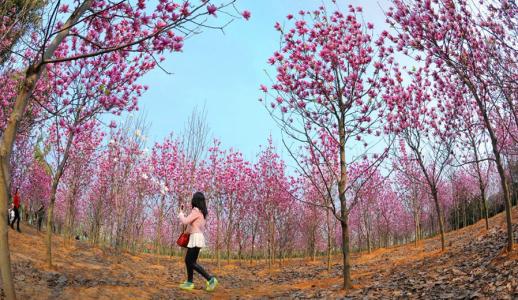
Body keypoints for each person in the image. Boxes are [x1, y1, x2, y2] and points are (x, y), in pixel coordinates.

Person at [178, 192, 218, 292]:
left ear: (195, 200)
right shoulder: (201, 213)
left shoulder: (195, 211)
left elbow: (185, 221)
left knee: (191, 262)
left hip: (196, 238)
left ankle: (210, 279)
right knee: (189, 261)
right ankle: (189, 282)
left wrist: (181, 214)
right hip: (196, 237)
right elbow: (191, 225)